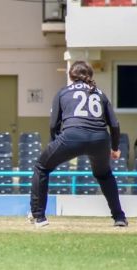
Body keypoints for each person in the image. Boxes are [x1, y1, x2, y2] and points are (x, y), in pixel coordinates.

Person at [29, 61, 128, 227]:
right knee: (104, 175)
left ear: (70, 75)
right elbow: (115, 125)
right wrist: (115, 148)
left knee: (41, 167)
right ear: (90, 75)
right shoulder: (101, 94)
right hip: (100, 140)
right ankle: (119, 218)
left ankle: (38, 217)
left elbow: (54, 125)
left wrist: (56, 145)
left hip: (71, 137)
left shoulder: (62, 92)